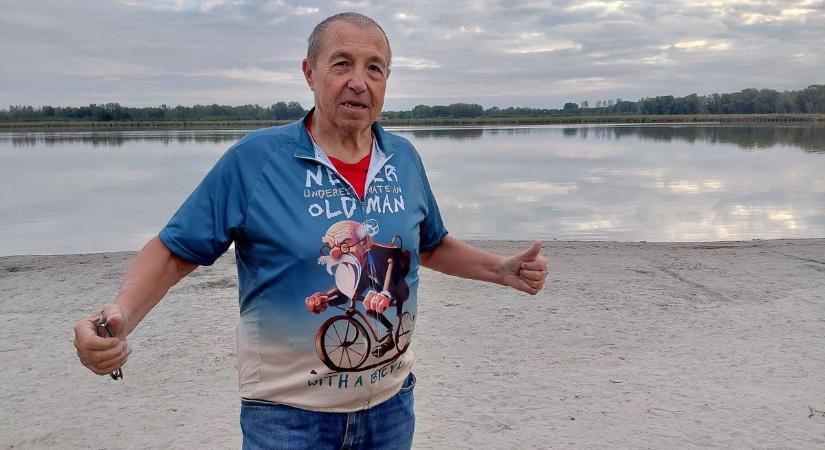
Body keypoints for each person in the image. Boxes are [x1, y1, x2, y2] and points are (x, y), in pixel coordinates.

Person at [73, 12, 548, 450]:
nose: (358, 82)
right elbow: (176, 251)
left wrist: (502, 269)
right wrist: (120, 315)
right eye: (342, 64)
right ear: (309, 73)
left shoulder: (403, 158)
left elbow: (430, 244)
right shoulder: (256, 161)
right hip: (286, 420)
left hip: (391, 409)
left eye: (374, 68)